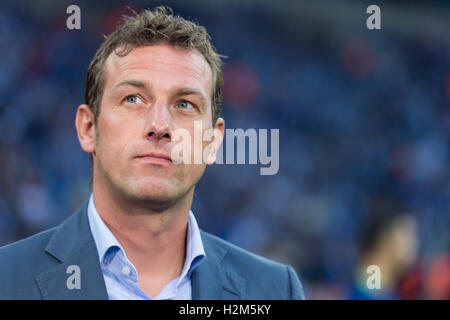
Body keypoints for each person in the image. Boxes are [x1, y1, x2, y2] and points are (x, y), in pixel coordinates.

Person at [0, 6, 305, 300]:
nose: (159, 126)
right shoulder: (7, 278)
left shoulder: (276, 291)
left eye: (184, 104)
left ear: (213, 141)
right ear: (88, 128)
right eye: (133, 98)